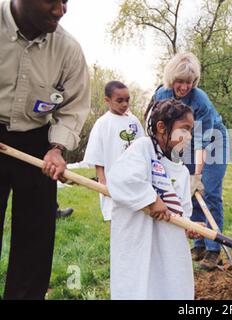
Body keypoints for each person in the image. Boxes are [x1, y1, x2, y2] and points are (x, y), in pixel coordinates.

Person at [0, 0, 90, 299]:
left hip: (37, 142)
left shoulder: (68, 50)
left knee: (35, 240)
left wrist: (57, 148)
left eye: (65, 1)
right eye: (52, 1)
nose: (60, 10)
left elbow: (73, 108)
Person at [106, 98, 201, 300]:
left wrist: (189, 226)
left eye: (190, 131)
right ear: (161, 127)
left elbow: (182, 211)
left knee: (170, 286)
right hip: (138, 240)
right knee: (139, 287)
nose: (189, 136)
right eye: (184, 129)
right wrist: (151, 199)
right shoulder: (142, 149)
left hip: (168, 247)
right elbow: (121, 178)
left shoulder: (182, 171)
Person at [151, 52, 228, 270]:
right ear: (170, 78)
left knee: (208, 192)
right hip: (183, 141)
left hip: (213, 142)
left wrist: (197, 175)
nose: (184, 87)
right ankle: (199, 243)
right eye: (180, 81)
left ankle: (214, 250)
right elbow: (160, 130)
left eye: (189, 82)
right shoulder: (161, 95)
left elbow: (202, 141)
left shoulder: (200, 100)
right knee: (188, 193)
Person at [83, 81, 145, 221]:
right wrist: (102, 181)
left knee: (135, 218)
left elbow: (143, 148)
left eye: (127, 100)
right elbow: (97, 156)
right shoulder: (102, 123)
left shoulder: (133, 121)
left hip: (133, 180)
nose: (124, 104)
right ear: (107, 100)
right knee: (116, 218)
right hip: (112, 183)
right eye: (119, 100)